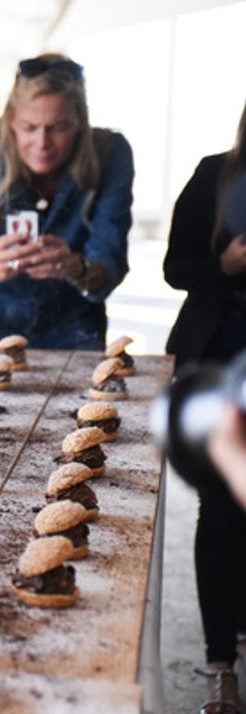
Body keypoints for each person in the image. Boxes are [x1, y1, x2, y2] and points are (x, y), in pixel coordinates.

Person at [0, 54, 134, 349]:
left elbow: (110, 263)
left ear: (80, 122)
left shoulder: (111, 154)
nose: (42, 143)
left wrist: (77, 269)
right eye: (29, 127)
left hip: (73, 325)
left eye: (58, 127)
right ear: (11, 120)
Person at [164, 100, 246, 714]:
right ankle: (220, 664)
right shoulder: (213, 173)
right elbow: (174, 268)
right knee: (220, 512)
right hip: (218, 364)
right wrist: (225, 264)